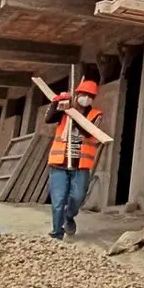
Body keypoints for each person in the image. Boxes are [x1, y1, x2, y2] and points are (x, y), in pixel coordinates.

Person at [45, 79, 103, 240]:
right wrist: (56, 104)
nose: (87, 98)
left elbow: (88, 132)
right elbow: (49, 119)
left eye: (90, 96)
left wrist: (74, 114)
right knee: (58, 201)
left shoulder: (95, 114)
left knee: (77, 197)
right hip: (59, 163)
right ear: (77, 94)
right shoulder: (64, 109)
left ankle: (69, 216)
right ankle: (57, 233)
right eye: (84, 94)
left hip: (80, 165)